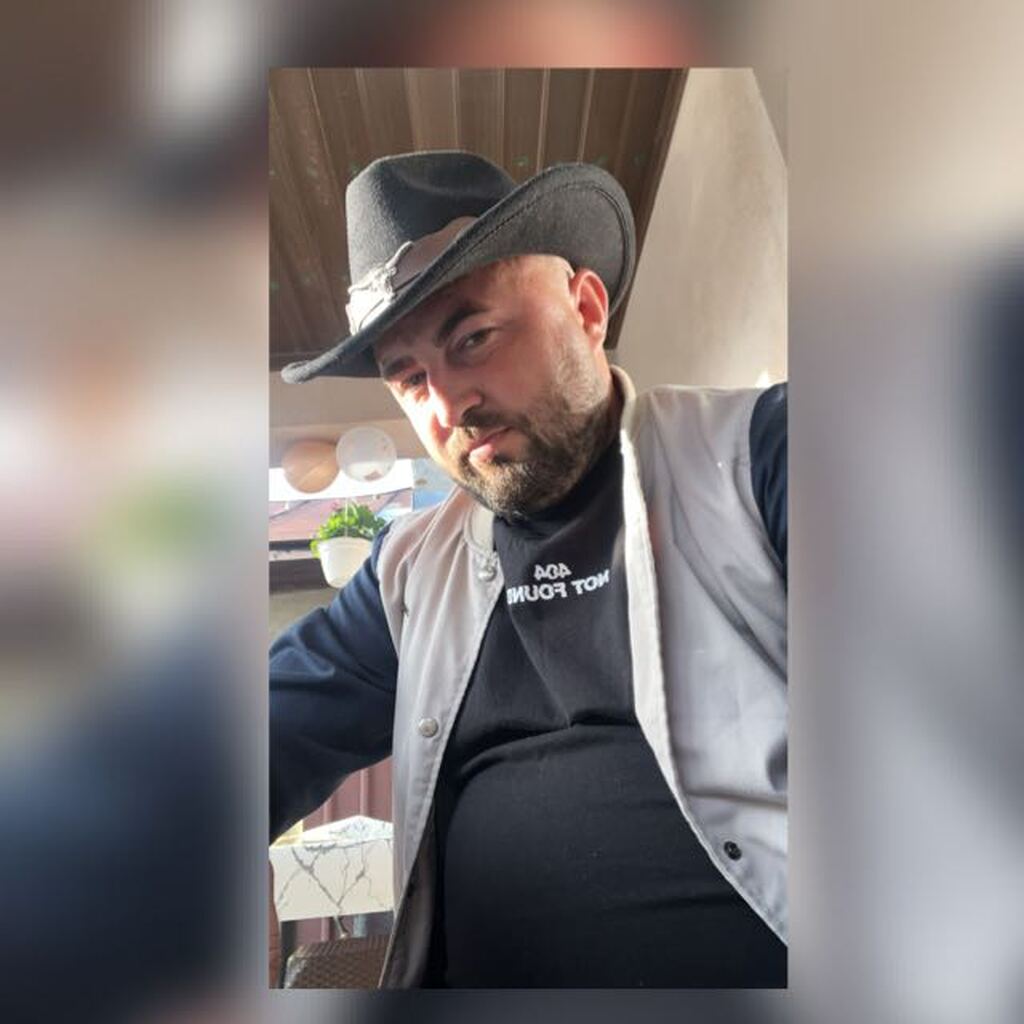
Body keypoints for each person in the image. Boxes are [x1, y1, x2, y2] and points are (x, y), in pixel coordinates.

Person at [270, 151, 788, 988]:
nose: (447, 406)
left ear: (586, 309)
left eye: (473, 338)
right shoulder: (409, 572)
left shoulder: (759, 458)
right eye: (409, 378)